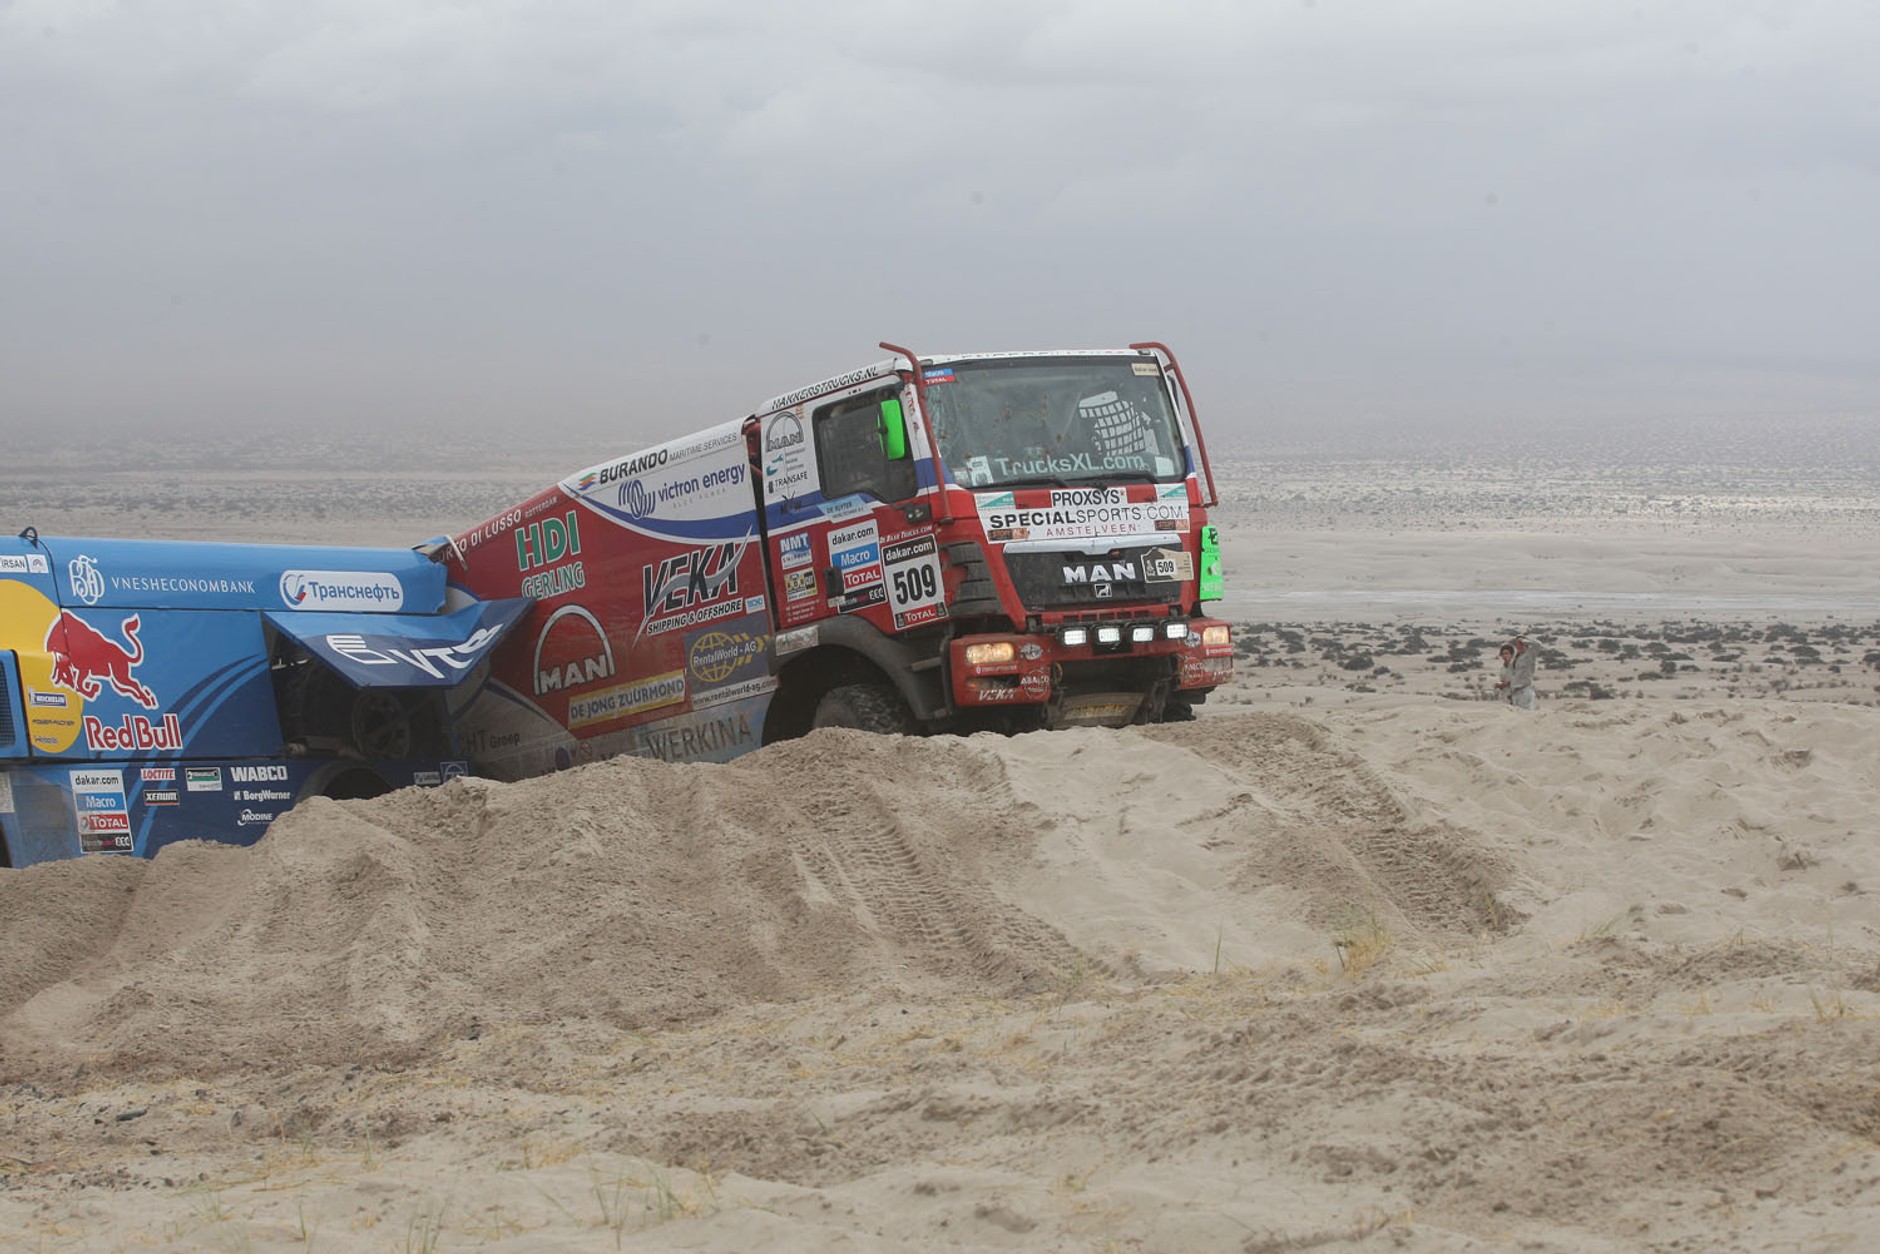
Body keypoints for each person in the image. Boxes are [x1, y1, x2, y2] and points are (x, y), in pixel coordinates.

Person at [1507, 635, 1537, 709]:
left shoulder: (1529, 655)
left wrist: (1525, 641)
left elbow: (1537, 645)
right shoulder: (1515, 659)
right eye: (1517, 644)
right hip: (1515, 691)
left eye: (1521, 644)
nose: (1519, 646)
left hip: (1524, 690)